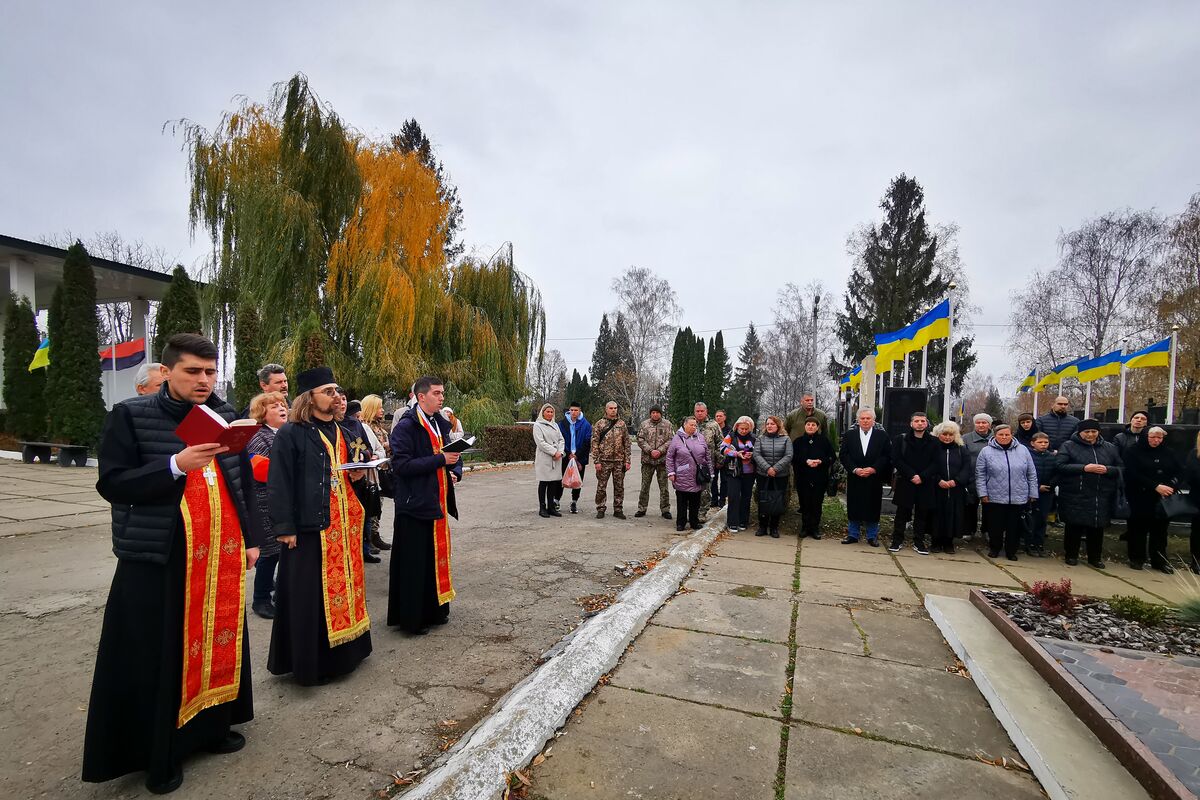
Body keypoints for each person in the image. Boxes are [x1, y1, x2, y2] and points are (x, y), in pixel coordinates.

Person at [83, 333, 259, 794]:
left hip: (217, 555)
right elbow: (114, 484)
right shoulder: (131, 416)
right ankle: (160, 752)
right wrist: (175, 464)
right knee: (161, 653)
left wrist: (253, 539)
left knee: (215, 643)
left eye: (210, 371)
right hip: (159, 557)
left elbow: (238, 485)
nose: (204, 380)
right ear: (167, 371)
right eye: (193, 371)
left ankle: (210, 729)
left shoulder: (222, 417)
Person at [267, 366, 373, 684]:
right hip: (310, 528)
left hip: (345, 524)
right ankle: (316, 663)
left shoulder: (347, 429)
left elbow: (360, 458)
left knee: (349, 589)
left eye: (337, 390)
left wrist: (359, 472)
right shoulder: (291, 433)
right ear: (308, 399)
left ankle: (350, 651)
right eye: (328, 391)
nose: (336, 396)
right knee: (309, 596)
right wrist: (284, 526)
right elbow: (279, 482)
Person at [387, 375, 464, 634]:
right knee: (414, 564)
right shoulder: (406, 426)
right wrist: (440, 460)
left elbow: (453, 452)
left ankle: (435, 609)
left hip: (437, 502)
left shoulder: (440, 422)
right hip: (414, 504)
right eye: (437, 393)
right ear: (421, 397)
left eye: (442, 393)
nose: (442, 398)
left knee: (433, 560)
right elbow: (401, 466)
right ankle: (412, 619)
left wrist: (456, 468)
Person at [245, 390, 289, 619]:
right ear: (263, 413)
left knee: (285, 552)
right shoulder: (258, 436)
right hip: (266, 501)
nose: (282, 408)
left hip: (286, 500)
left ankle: (280, 594)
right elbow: (259, 469)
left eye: (282, 404)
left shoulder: (288, 433)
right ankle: (260, 599)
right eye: (274, 406)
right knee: (270, 553)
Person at [1056, 419, 1122, 568]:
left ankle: (1095, 557)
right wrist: (1084, 468)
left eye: (1094, 431)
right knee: (1074, 526)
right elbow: (1060, 466)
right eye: (1087, 432)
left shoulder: (1109, 448)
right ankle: (1071, 555)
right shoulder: (1069, 446)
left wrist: (1108, 470)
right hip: (1076, 492)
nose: (1090, 435)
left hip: (1101, 493)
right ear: (1080, 432)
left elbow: (1121, 468)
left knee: (1097, 528)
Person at [976, 424, 1039, 561]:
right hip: (994, 495)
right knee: (995, 526)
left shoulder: (1023, 450)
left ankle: (1011, 551)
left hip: (1018, 496)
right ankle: (995, 548)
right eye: (1001, 435)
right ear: (995, 436)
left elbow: (1031, 473)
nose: (1004, 437)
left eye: (1007, 434)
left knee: (1014, 527)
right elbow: (980, 474)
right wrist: (982, 493)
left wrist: (1033, 493)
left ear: (1012, 435)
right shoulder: (986, 451)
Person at [1123, 427, 1182, 573]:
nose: (1156, 441)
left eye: (1159, 438)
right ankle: (1137, 558)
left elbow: (1180, 471)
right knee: (1138, 529)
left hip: (1163, 497)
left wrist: (1171, 486)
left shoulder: (1169, 452)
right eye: (1153, 437)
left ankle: (1159, 560)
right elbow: (1132, 473)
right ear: (1145, 437)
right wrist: (1155, 486)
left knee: (1160, 531)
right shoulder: (1133, 451)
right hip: (1140, 495)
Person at [337, 390, 382, 564]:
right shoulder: (329, 425)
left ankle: (364, 549)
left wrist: (363, 457)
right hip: (340, 481)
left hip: (359, 478)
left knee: (363, 516)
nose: (341, 402)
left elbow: (367, 448)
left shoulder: (356, 424)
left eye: (343, 399)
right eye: (338, 399)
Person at [839, 408, 891, 546]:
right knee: (854, 505)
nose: (865, 421)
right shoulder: (850, 435)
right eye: (863, 418)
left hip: (874, 477)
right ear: (858, 420)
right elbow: (844, 455)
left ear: (874, 420)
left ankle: (872, 536)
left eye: (868, 418)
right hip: (855, 476)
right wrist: (855, 469)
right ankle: (852, 534)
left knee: (873, 506)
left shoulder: (882, 436)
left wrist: (874, 469)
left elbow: (886, 456)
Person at [889, 412, 938, 555]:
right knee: (902, 513)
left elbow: (936, 462)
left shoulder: (934, 442)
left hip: (925, 482)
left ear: (927, 424)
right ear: (911, 424)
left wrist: (922, 476)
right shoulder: (901, 440)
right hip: (906, 481)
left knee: (922, 514)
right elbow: (896, 459)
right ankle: (897, 540)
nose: (920, 423)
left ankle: (919, 542)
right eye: (916, 421)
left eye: (923, 421)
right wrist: (911, 475)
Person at [929, 421, 972, 554]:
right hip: (936, 489)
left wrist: (957, 481)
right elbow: (928, 466)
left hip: (955, 490)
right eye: (944, 434)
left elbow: (966, 468)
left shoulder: (961, 450)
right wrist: (938, 480)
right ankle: (935, 542)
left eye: (950, 434)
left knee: (953, 515)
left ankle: (949, 543)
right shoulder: (933, 449)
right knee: (936, 516)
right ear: (938, 434)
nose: (947, 437)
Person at [359, 394, 393, 553]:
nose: (382, 410)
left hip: (382, 468)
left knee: (378, 504)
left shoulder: (378, 426)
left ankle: (375, 534)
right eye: (379, 407)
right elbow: (373, 447)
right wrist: (385, 445)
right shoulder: (365, 427)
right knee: (373, 504)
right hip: (372, 471)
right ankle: (371, 537)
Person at [666, 416, 711, 532]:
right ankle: (681, 523)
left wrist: (710, 472)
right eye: (691, 425)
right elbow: (670, 457)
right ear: (684, 425)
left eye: (695, 425)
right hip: (682, 475)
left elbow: (707, 456)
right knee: (682, 500)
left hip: (697, 475)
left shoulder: (700, 438)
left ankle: (694, 522)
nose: (694, 427)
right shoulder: (677, 439)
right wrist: (671, 472)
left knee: (695, 500)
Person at [793, 417, 834, 539]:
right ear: (805, 426)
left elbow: (832, 457)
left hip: (819, 478)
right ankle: (805, 527)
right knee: (804, 503)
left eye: (813, 425)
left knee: (816, 503)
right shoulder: (798, 441)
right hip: (803, 478)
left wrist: (820, 461)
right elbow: (793, 457)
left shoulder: (824, 441)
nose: (810, 426)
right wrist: (806, 461)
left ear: (817, 427)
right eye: (808, 424)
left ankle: (815, 528)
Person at [753, 415, 792, 538]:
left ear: (778, 426)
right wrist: (768, 468)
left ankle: (774, 527)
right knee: (763, 499)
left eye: (772, 424)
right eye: (768, 424)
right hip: (763, 475)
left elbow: (788, 455)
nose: (769, 426)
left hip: (780, 475)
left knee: (777, 500)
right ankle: (762, 526)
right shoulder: (760, 439)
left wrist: (775, 469)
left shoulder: (786, 439)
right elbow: (757, 454)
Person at [591, 401, 631, 519]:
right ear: (606, 409)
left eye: (615, 408)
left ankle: (618, 509)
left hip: (619, 460)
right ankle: (600, 508)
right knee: (601, 486)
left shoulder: (622, 424)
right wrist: (596, 461)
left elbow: (627, 443)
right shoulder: (600, 424)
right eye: (611, 408)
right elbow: (594, 443)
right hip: (604, 460)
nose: (613, 410)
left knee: (619, 486)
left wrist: (627, 460)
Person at [635, 406, 674, 519]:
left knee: (664, 487)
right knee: (644, 486)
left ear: (660, 414)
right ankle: (642, 508)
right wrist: (650, 451)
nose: (655, 414)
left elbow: (671, 439)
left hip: (662, 461)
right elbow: (640, 439)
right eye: (653, 412)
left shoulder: (667, 424)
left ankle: (665, 509)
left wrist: (660, 451)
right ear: (650, 414)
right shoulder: (644, 424)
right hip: (648, 460)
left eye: (657, 412)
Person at [721, 416, 757, 532]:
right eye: (742, 428)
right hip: (734, 471)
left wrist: (752, 455)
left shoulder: (754, 438)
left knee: (746, 497)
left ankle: (743, 521)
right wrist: (736, 453)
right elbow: (722, 449)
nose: (744, 431)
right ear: (737, 427)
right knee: (733, 496)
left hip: (749, 472)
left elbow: (759, 451)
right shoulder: (731, 436)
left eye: (746, 429)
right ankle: (732, 522)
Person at [962, 413, 993, 542]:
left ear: (989, 425)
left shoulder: (996, 438)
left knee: (990, 507)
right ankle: (969, 530)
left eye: (984, 422)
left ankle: (987, 530)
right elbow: (962, 457)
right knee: (970, 505)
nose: (981, 425)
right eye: (978, 422)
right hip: (971, 477)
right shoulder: (966, 438)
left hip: (991, 478)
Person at [1026, 432, 1057, 557]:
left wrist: (1051, 485)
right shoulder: (1028, 455)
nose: (1043, 445)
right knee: (1031, 518)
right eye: (1040, 442)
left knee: (1042, 518)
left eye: (1046, 442)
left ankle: (1039, 543)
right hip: (1032, 492)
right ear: (1033, 443)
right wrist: (1037, 487)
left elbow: (1057, 472)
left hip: (1047, 492)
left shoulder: (1052, 457)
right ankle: (1029, 543)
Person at [532, 402, 566, 518]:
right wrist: (553, 451)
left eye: (552, 412)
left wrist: (560, 452)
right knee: (544, 482)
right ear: (543, 412)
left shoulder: (555, 425)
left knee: (553, 483)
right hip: (545, 458)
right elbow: (540, 443)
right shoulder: (538, 425)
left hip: (556, 458)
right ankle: (542, 507)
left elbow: (561, 439)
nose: (550, 414)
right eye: (548, 411)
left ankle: (551, 507)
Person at [558, 401, 592, 514]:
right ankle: (556, 500)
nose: (573, 412)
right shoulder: (562, 424)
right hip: (566, 456)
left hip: (579, 457)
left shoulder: (586, 424)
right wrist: (568, 453)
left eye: (576, 410)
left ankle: (574, 502)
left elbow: (588, 442)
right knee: (561, 479)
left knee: (577, 480)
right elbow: (559, 439)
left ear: (580, 411)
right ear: (569, 411)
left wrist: (577, 455)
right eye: (571, 410)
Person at [694, 403, 724, 516]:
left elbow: (720, 443)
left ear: (706, 411)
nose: (700, 413)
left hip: (707, 464)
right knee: (691, 489)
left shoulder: (713, 425)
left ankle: (702, 513)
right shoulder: (690, 424)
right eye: (697, 411)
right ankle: (691, 512)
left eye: (702, 411)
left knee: (705, 490)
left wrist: (720, 460)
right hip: (691, 463)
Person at [1185, 432, 1200, 574]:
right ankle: (1195, 561)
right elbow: (1190, 474)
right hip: (1198, 497)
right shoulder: (1194, 454)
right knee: (1198, 532)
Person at [710, 409, 731, 508]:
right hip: (713, 458)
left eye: (720, 416)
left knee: (724, 480)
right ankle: (714, 499)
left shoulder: (730, 430)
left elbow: (730, 446)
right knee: (713, 480)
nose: (718, 418)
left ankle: (722, 500)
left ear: (725, 417)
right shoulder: (712, 429)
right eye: (717, 416)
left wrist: (722, 460)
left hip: (725, 459)